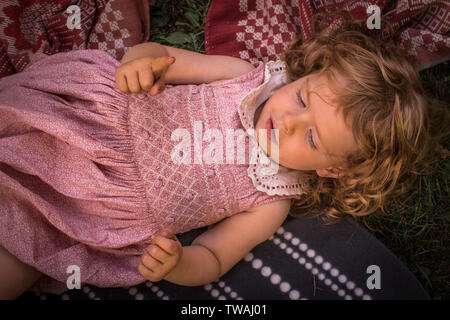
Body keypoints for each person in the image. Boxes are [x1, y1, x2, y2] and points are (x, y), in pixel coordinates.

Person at [0, 13, 446, 299]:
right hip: (93, 120)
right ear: (307, 76)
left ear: (332, 168)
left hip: (94, 210)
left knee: (16, 262)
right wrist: (143, 61)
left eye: (311, 140)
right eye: (304, 101)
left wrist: (177, 264)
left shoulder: (272, 201)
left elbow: (213, 258)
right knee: (17, 121)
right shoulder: (244, 77)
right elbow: (167, 58)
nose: (290, 121)